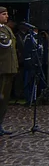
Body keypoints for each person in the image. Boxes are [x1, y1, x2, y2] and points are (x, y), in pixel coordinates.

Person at [0, 7, 18, 136]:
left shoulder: (6, 29)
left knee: (5, 99)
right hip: (2, 68)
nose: (7, 16)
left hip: (9, 68)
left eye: (7, 14)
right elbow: (5, 44)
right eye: (4, 14)